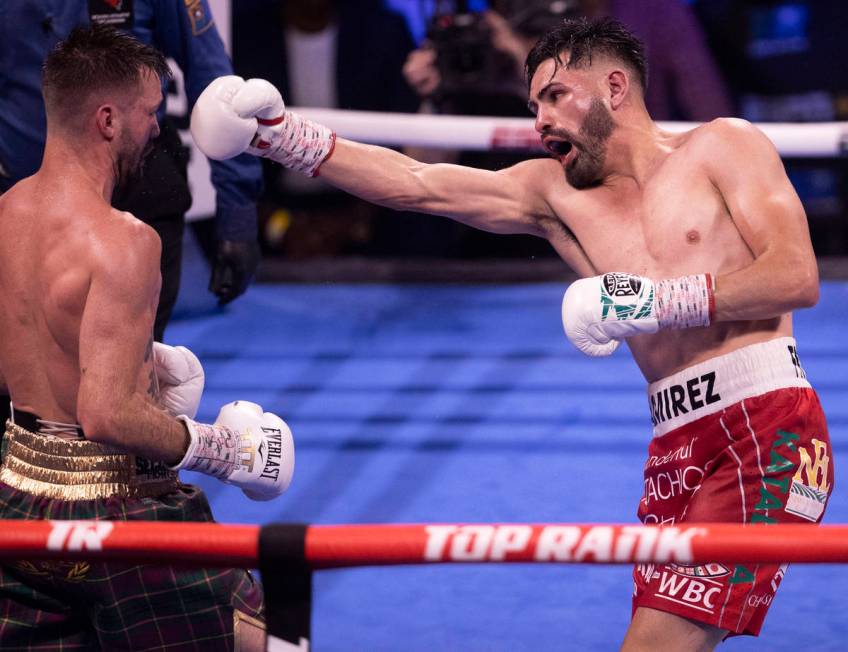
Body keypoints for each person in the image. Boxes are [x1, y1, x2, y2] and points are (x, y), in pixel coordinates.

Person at [191, 16, 833, 648]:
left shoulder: (724, 145)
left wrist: (663, 301)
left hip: (766, 426)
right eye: (534, 105)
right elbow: (419, 185)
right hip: (673, 445)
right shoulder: (552, 193)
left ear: (615, 88)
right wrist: (283, 138)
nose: (542, 120)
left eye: (555, 96)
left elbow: (795, 276)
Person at [0, 25, 294, 650]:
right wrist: (223, 449)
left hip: (14, 496)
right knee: (250, 635)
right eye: (150, 112)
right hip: (113, 503)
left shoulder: (6, 215)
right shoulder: (125, 241)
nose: (158, 129)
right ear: (107, 119)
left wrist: (139, 366)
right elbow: (105, 414)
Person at [0, 0, 265, 428]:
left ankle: (127, 484)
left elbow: (216, 83)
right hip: (23, 199)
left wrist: (238, 212)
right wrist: (220, 452)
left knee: (132, 381)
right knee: (18, 379)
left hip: (138, 185)